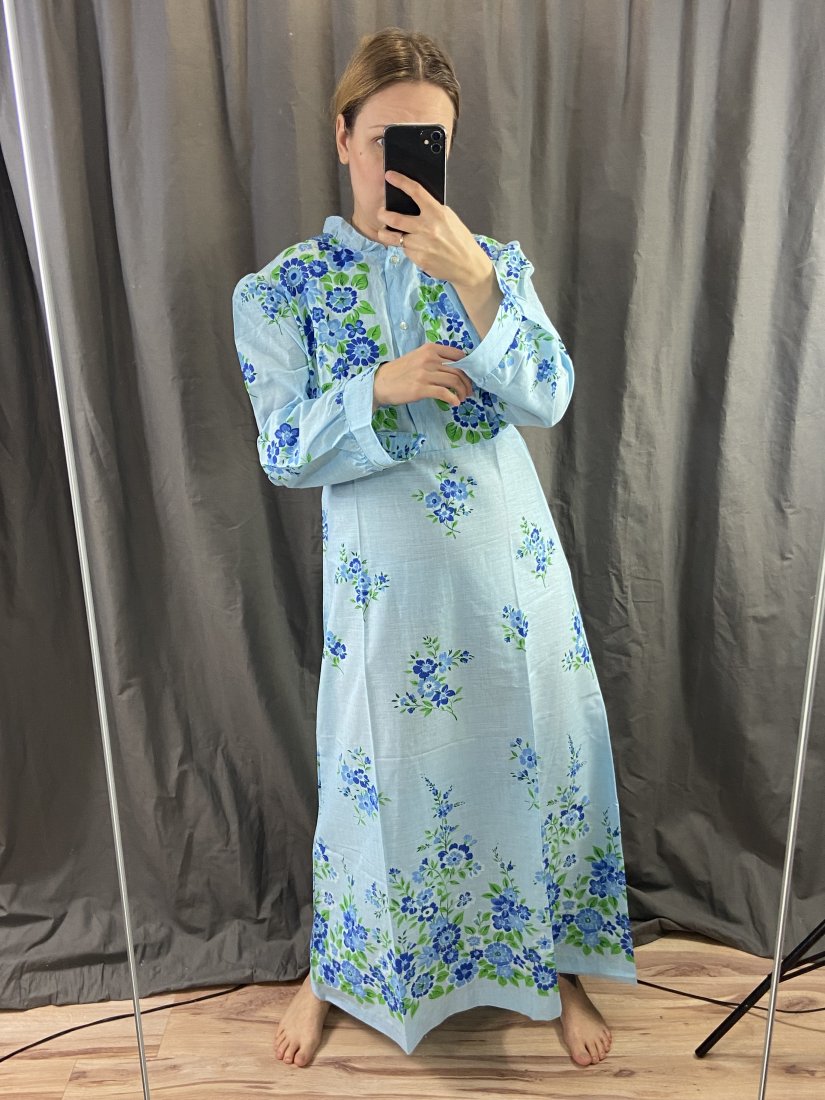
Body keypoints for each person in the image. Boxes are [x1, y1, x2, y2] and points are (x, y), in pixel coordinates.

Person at [232, 26, 636, 1069]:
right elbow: (281, 448)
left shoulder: (488, 262)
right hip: (386, 591)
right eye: (388, 140)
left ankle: (552, 964)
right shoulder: (280, 290)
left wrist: (480, 287)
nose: (406, 163)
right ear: (344, 137)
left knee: (530, 756)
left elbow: (549, 394)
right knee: (372, 775)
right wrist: (379, 384)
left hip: (508, 578)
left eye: (430, 143)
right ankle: (336, 967)